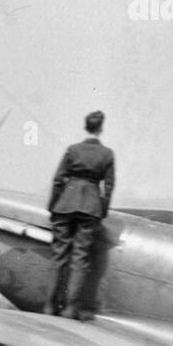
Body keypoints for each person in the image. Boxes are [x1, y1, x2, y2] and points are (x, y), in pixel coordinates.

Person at [44, 110, 115, 319]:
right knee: (80, 258)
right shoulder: (107, 154)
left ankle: (49, 306)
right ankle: (69, 309)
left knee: (58, 256)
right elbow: (109, 186)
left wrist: (53, 206)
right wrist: (101, 211)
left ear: (86, 127)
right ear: (101, 128)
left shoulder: (72, 150)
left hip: (65, 204)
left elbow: (58, 180)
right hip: (90, 207)